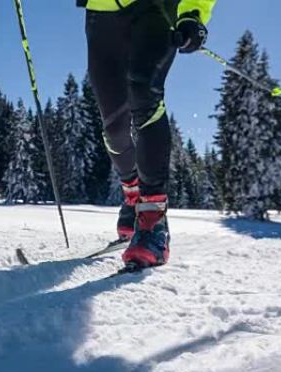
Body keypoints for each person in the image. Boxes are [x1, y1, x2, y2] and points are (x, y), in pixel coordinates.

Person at [77, 0, 216, 268]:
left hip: (158, 6)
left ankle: (153, 220)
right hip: (101, 12)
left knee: (144, 92)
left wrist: (194, 11)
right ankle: (132, 195)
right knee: (114, 124)